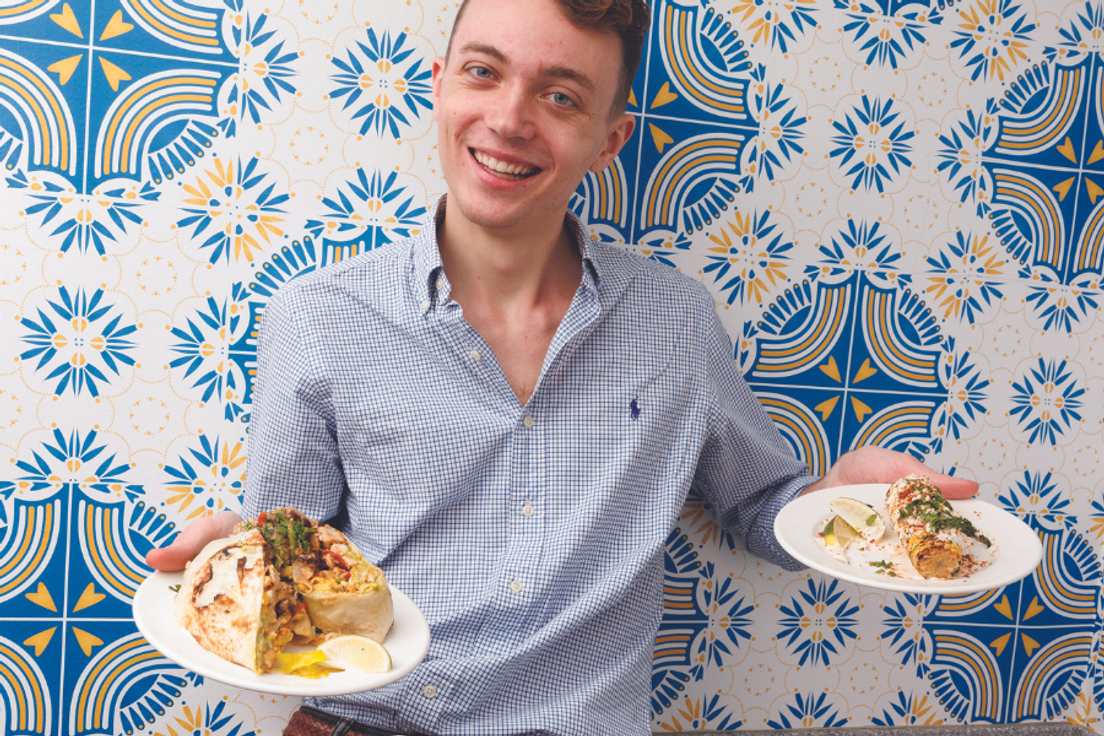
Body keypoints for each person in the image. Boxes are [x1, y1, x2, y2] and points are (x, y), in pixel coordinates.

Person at [147, 0, 978, 734]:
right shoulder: (318, 316)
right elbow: (294, 551)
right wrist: (241, 555)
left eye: (560, 96)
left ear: (608, 139)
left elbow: (763, 510)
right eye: (484, 73)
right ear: (440, 84)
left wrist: (850, 502)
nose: (509, 119)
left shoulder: (676, 322)